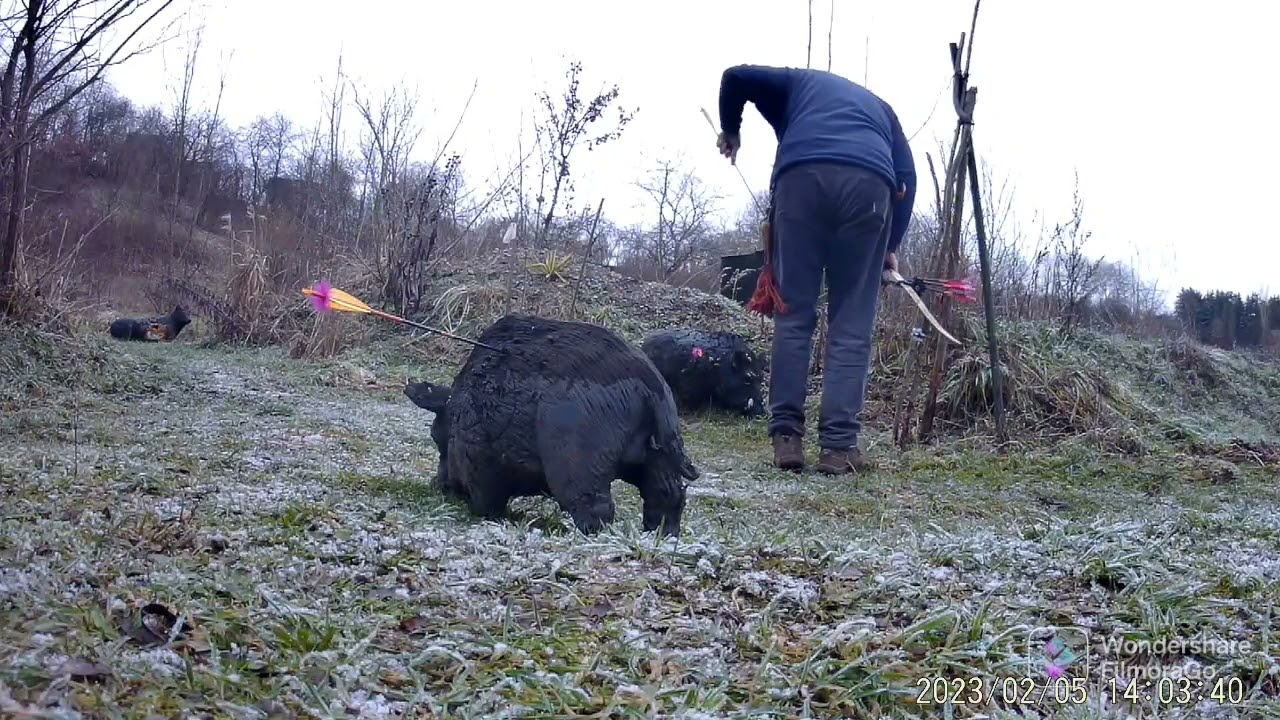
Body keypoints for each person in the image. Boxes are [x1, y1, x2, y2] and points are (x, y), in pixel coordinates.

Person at [715, 64, 917, 475]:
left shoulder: (793, 83)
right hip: (869, 187)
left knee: (793, 315)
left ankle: (786, 438)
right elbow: (907, 178)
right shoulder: (882, 111)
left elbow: (734, 77)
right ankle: (839, 448)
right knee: (852, 325)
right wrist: (890, 246)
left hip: (801, 181)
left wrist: (731, 131)